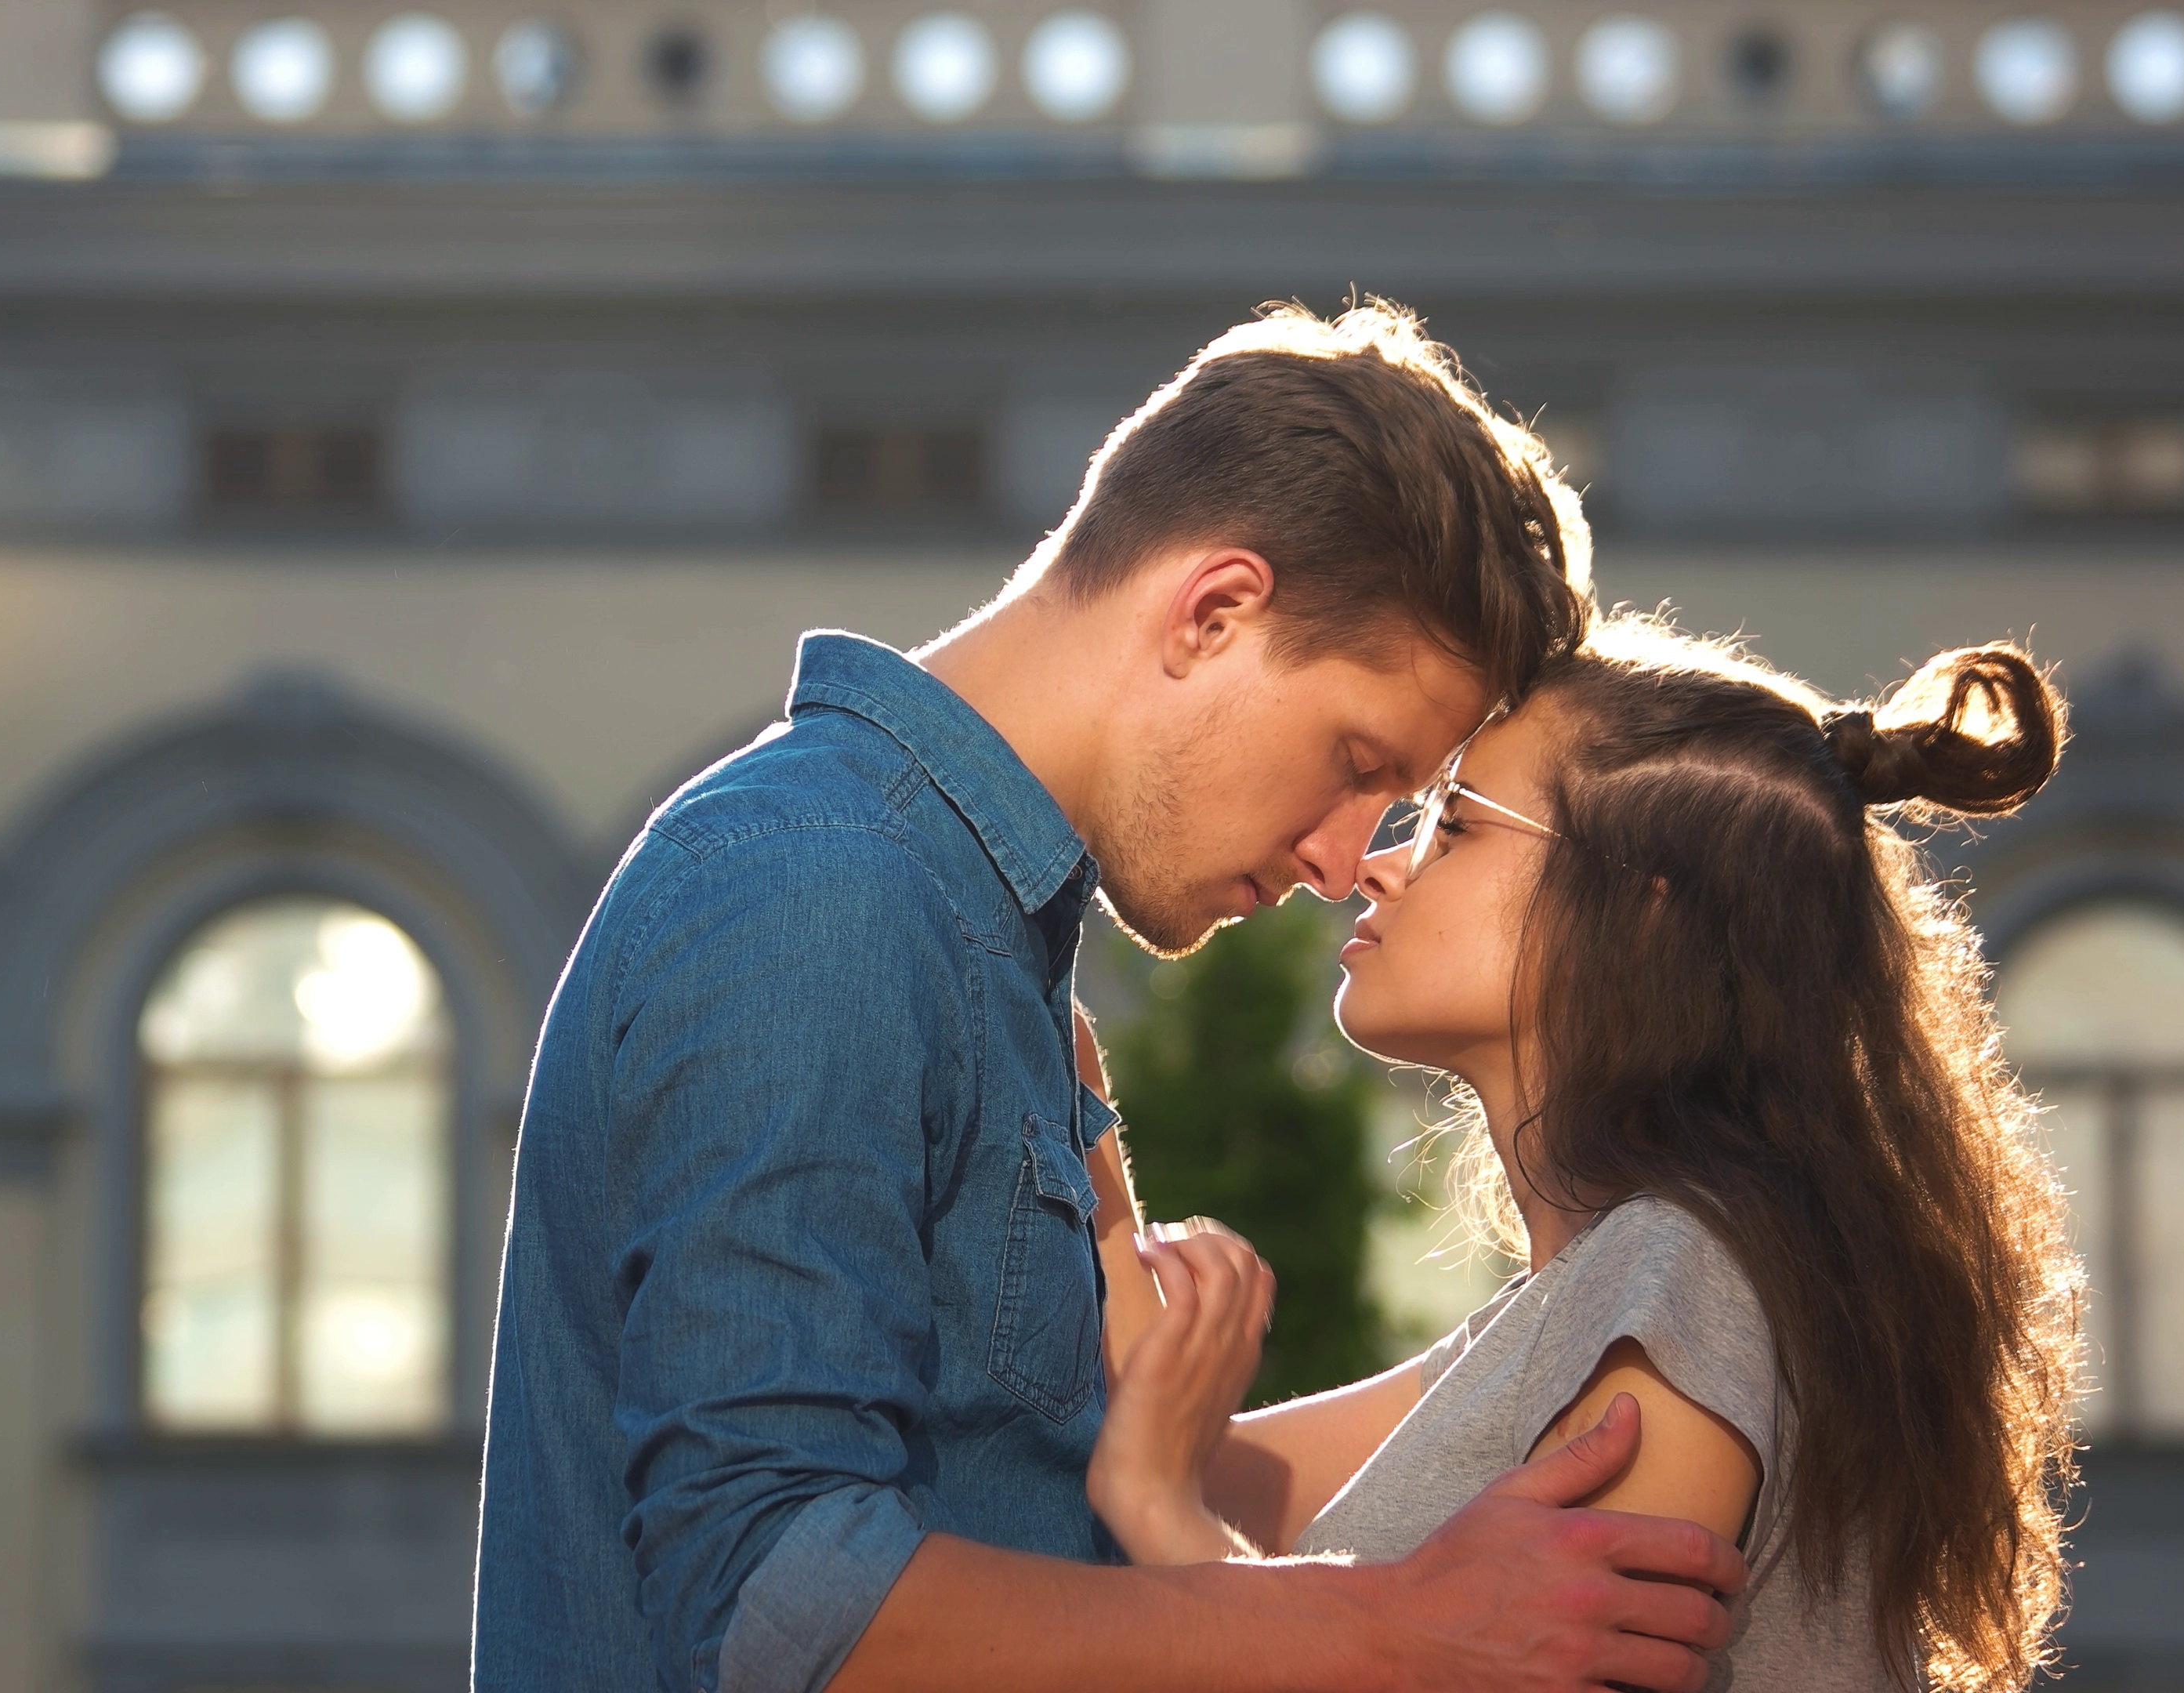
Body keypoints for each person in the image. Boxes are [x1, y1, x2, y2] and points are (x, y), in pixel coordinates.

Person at [474, 300, 1752, 1693]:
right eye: (1359, 763)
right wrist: (1385, 1627)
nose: (1344, 862)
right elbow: (775, 1600)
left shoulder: (961, 927)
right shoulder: (821, 888)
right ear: (1214, 613)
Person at [1085, 617, 2084, 1691]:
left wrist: (1158, 1510)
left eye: (1454, 826)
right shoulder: (1598, 1298)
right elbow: (1181, 1456)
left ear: (1643, 913)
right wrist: (1069, 1086)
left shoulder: (1683, 1273)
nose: (1374, 867)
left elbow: (1166, 1493)